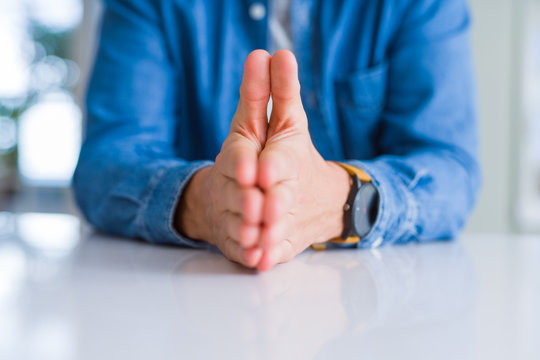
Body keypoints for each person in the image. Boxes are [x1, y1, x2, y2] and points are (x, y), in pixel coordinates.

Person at [73, 0, 481, 271]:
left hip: (370, 310)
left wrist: (340, 199)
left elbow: (451, 169)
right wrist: (205, 203)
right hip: (192, 303)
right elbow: (104, 163)